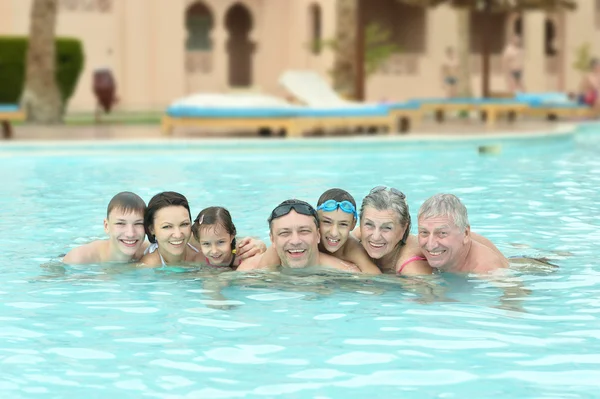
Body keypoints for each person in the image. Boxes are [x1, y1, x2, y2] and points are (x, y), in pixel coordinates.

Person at [246, 189, 381, 274]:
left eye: (343, 224)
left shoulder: (352, 248)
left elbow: (374, 277)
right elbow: (261, 275)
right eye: (327, 222)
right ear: (316, 223)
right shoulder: (281, 246)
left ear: (353, 224)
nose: (334, 232)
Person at [237, 199, 360, 273]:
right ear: (272, 239)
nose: (295, 241)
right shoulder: (248, 270)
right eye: (285, 233)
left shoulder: (347, 273)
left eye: (304, 231)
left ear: (318, 235)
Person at [417, 193, 509, 274]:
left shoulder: (488, 269)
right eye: (424, 232)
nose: (431, 245)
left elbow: (514, 292)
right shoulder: (456, 237)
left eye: (442, 233)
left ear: (465, 234)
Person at [63, 192, 147, 264]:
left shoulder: (151, 252)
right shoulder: (79, 259)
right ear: (106, 226)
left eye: (138, 223)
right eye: (120, 223)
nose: (130, 234)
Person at [139, 191, 203, 267]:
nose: (178, 235)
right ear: (151, 229)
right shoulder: (149, 266)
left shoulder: (204, 244)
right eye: (167, 226)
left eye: (184, 224)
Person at [190, 206, 263, 268]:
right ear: (199, 241)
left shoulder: (244, 256)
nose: (214, 251)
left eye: (220, 242)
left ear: (231, 237)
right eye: (206, 244)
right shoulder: (199, 260)